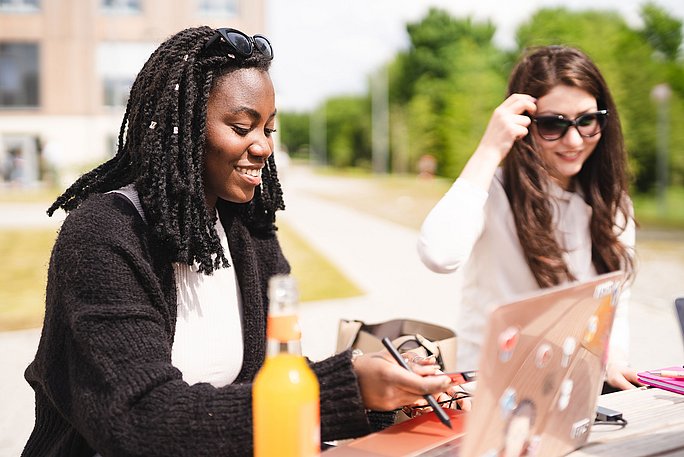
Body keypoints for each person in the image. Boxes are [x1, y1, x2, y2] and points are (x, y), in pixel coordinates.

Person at [22, 26, 455, 457]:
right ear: (183, 127)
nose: (263, 146)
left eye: (268, 128)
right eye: (242, 126)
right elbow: (141, 420)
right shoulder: (104, 234)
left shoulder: (250, 233)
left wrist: (374, 391)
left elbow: (268, 384)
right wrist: (339, 392)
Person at [417, 45, 639, 391]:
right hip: (493, 392)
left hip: (577, 391)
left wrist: (614, 360)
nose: (574, 139)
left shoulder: (613, 202)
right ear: (523, 125)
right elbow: (439, 254)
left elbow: (616, 302)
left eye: (587, 120)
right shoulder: (493, 192)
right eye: (553, 124)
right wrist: (490, 149)